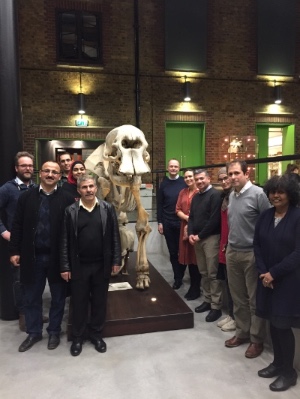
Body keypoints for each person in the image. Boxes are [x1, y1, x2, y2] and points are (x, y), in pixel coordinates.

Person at [9, 161, 74, 352]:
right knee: (31, 297)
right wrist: (14, 250)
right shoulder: (26, 197)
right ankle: (34, 332)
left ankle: (54, 331)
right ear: (40, 173)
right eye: (47, 170)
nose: (50, 174)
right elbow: (17, 225)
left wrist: (69, 261)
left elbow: (71, 234)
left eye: (55, 172)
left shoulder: (68, 199)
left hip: (57, 259)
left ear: (60, 176)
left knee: (58, 297)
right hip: (32, 257)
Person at [60, 174, 121, 356]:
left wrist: (116, 260)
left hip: (102, 265)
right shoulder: (70, 211)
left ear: (96, 188)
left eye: (91, 186)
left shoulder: (107, 208)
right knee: (78, 303)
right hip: (79, 266)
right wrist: (65, 266)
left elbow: (115, 236)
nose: (88, 190)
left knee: (100, 302)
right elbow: (64, 240)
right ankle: (78, 337)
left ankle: (96, 334)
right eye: (84, 187)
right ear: (79, 190)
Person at [254, 175, 300, 392]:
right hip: (267, 280)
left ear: (290, 194)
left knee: (282, 326)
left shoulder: (298, 217)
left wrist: (274, 273)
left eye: (280, 192)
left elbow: (298, 253)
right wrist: (264, 272)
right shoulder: (265, 216)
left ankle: (289, 373)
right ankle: (277, 364)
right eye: (273, 192)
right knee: (273, 323)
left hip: (288, 282)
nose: (276, 196)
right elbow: (257, 246)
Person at [224, 160, 271, 358]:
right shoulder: (232, 195)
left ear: (246, 173)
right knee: (238, 297)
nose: (233, 177)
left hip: (251, 253)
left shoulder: (258, 194)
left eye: (236, 173)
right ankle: (242, 332)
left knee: (254, 300)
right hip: (233, 252)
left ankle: (256, 340)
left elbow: (268, 222)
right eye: (230, 174)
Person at [0, 151, 36, 331]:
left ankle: (34, 312)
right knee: (20, 280)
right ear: (16, 168)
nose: (28, 168)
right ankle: (23, 315)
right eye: (24, 165)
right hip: (17, 244)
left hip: (36, 244)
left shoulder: (36, 188)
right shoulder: (7, 189)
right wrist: (4, 231)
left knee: (35, 279)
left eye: (30, 165)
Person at [188, 169, 223, 322]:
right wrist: (190, 233)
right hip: (197, 239)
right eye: (197, 179)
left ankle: (216, 307)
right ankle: (207, 300)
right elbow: (191, 217)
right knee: (203, 272)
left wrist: (199, 235)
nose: (199, 181)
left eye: (202, 178)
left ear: (208, 178)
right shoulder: (196, 196)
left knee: (213, 273)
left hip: (211, 239)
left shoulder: (215, 195)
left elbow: (214, 220)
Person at [157, 159, 187, 289]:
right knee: (173, 252)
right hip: (168, 223)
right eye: (171, 166)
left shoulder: (184, 182)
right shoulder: (163, 184)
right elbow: (159, 204)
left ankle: (180, 274)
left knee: (183, 251)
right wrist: (160, 222)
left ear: (179, 168)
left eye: (176, 166)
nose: (173, 168)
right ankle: (177, 278)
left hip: (182, 222)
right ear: (168, 168)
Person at [176, 169, 201, 300]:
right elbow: (177, 209)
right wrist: (187, 218)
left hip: (196, 229)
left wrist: (191, 221)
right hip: (184, 227)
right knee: (188, 257)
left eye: (190, 176)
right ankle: (193, 285)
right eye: (186, 177)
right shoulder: (183, 192)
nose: (188, 179)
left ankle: (196, 287)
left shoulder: (200, 192)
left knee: (195, 258)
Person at [216, 167, 236, 332]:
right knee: (228, 283)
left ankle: (237, 319)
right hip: (224, 245)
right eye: (222, 178)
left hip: (234, 246)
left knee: (235, 286)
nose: (224, 181)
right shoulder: (224, 198)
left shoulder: (236, 198)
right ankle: (231, 315)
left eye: (227, 177)